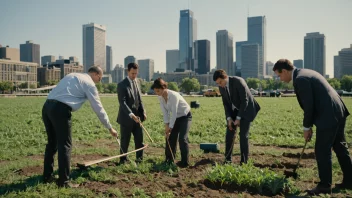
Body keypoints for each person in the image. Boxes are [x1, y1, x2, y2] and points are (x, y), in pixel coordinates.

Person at [273, 59, 352, 195]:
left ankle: (324, 186)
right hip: (338, 110)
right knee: (340, 146)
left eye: (279, 75)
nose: (280, 79)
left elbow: (309, 105)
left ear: (284, 71)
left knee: (322, 149)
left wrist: (306, 127)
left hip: (328, 115)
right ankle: (350, 181)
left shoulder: (300, 79)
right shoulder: (306, 72)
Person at [42, 66, 118, 188]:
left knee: (52, 144)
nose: (99, 81)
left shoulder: (72, 75)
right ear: (95, 74)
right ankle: (64, 182)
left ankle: (47, 177)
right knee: (65, 145)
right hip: (60, 110)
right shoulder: (89, 84)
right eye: (100, 78)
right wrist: (109, 127)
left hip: (47, 107)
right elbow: (98, 108)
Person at [213, 69, 260, 164]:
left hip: (246, 109)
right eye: (218, 83)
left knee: (243, 136)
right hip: (234, 111)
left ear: (225, 77)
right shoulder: (222, 88)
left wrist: (238, 118)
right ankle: (227, 160)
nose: (220, 85)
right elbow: (225, 104)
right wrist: (229, 118)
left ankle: (244, 162)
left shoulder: (238, 81)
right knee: (229, 134)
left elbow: (244, 101)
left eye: (221, 82)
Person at [151, 78, 192, 167]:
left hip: (185, 117)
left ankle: (185, 162)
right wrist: (167, 125)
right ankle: (169, 159)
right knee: (170, 137)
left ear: (163, 88)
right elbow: (165, 112)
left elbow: (174, 112)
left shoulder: (173, 96)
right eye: (155, 91)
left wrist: (170, 127)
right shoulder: (160, 97)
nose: (157, 93)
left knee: (182, 138)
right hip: (176, 118)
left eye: (158, 91)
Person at [117, 63, 146, 164]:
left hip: (138, 118)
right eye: (133, 73)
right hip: (126, 118)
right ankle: (123, 160)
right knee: (125, 141)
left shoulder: (137, 82)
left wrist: (143, 112)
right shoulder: (121, 85)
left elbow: (139, 99)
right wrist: (131, 114)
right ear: (128, 71)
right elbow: (122, 102)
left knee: (139, 140)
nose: (134, 76)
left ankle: (139, 160)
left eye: (136, 73)